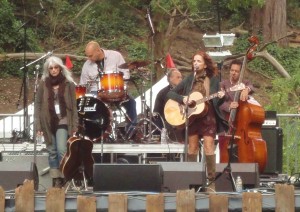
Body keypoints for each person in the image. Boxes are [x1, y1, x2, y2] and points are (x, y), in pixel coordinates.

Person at [167, 51, 227, 191]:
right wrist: (183, 99)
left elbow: (217, 100)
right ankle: (192, 182)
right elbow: (171, 93)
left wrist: (222, 96)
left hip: (208, 116)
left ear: (205, 64)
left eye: (199, 61)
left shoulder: (213, 79)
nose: (195, 63)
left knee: (208, 146)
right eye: (194, 61)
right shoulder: (189, 79)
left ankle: (211, 182)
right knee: (192, 148)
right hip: (193, 117)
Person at [34, 56, 78, 188]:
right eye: (51, 68)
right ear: (48, 70)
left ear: (60, 68)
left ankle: (65, 176)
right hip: (47, 121)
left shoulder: (68, 83)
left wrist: (75, 124)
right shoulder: (43, 83)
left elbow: (74, 106)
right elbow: (38, 104)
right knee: (52, 150)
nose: (54, 70)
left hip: (63, 119)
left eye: (56, 67)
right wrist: (38, 125)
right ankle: (56, 179)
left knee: (61, 149)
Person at [80, 41, 137, 137]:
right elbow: (83, 84)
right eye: (88, 56)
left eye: (91, 56)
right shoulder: (87, 65)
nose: (89, 58)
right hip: (96, 92)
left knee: (131, 103)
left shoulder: (115, 56)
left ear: (98, 51)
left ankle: (131, 132)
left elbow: (125, 73)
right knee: (91, 106)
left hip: (116, 90)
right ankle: (98, 132)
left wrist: (121, 86)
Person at [218, 59, 254, 162]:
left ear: (240, 72)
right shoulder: (223, 84)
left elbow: (252, 87)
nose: (233, 73)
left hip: (241, 122)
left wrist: (246, 89)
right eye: (232, 70)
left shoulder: (245, 83)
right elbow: (218, 103)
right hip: (226, 121)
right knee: (223, 148)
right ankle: (223, 171)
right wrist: (229, 106)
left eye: (236, 71)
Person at [153, 68, 184, 143]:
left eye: (181, 77)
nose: (181, 79)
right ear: (170, 78)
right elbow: (156, 112)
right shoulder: (162, 93)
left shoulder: (185, 91)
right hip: (167, 122)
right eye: (178, 77)